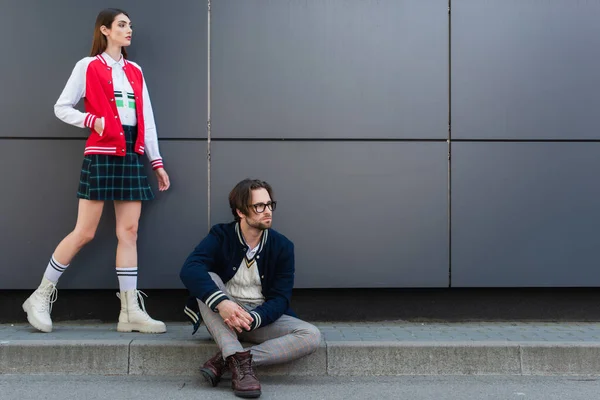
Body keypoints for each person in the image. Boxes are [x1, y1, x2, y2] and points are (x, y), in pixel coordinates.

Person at [22, 8, 170, 334]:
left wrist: (156, 161)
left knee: (128, 232)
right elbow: (62, 107)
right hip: (101, 153)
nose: (129, 29)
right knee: (84, 232)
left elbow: (147, 117)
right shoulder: (87, 66)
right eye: (121, 24)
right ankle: (39, 296)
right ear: (105, 30)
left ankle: (129, 311)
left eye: (130, 24)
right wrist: (93, 121)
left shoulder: (135, 70)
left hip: (131, 153)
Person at [180, 179, 321, 399]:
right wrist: (222, 303)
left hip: (258, 317)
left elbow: (280, 299)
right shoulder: (221, 235)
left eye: (269, 204)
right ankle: (243, 370)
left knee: (311, 335)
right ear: (240, 212)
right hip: (223, 318)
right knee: (206, 280)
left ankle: (231, 359)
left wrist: (253, 318)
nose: (267, 211)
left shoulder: (282, 246)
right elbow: (189, 269)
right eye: (259, 206)